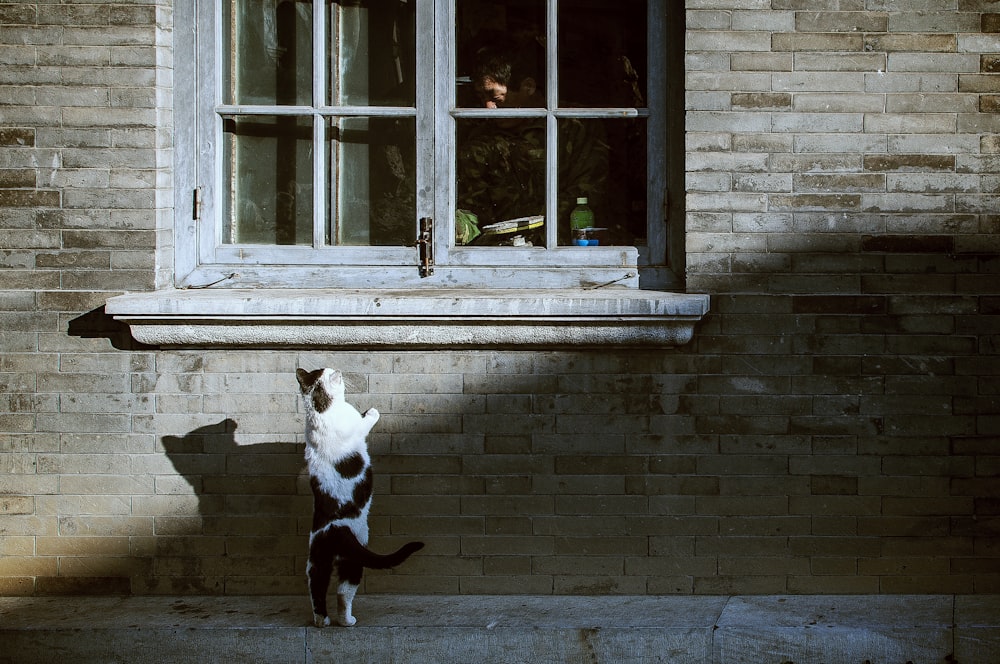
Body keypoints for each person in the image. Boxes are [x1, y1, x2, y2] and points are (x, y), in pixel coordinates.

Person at [456, 44, 609, 245]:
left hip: (565, 247)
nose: (488, 107)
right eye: (482, 98)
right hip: (500, 252)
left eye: (494, 97)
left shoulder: (574, 125)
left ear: (528, 87)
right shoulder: (481, 138)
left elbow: (587, 191)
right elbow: (473, 207)